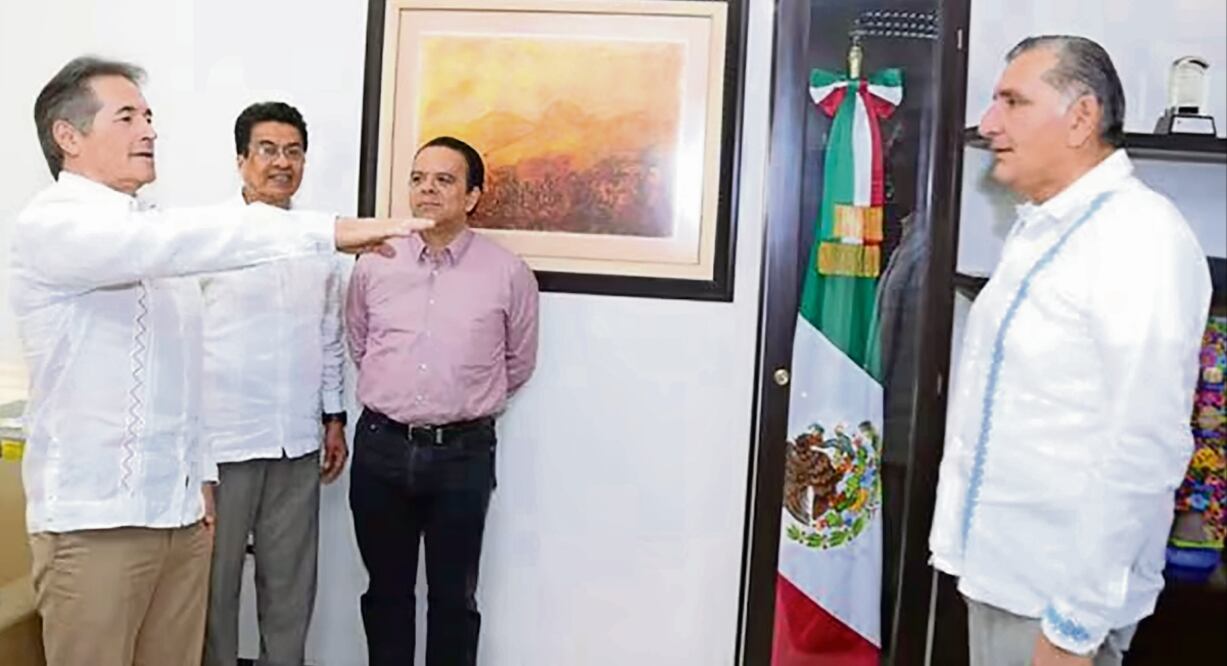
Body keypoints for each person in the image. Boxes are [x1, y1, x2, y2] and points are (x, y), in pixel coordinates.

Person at [9, 56, 431, 666]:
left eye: (149, 115)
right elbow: (181, 242)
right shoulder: (54, 225)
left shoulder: (152, 227)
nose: (149, 130)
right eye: (127, 116)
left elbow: (183, 377)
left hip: (179, 515)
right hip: (96, 522)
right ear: (68, 137)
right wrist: (330, 230)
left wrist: (197, 472)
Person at [928, 36, 1212, 666]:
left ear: (1081, 117)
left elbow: (1142, 448)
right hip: (1005, 585)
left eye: (1012, 101)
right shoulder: (1046, 228)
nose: (990, 123)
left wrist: (1072, 630)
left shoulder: (1139, 239)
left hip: (1054, 611)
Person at [345, 136, 539, 666]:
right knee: (385, 593)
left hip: (462, 454)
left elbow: (518, 362)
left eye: (444, 180)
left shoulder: (507, 273)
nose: (427, 189)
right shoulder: (375, 262)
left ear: (473, 195)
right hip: (381, 447)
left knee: (455, 598)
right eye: (418, 179)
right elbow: (360, 342)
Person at [201, 101, 348, 666]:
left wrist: (334, 417)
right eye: (267, 149)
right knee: (214, 593)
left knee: (290, 591)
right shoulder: (206, 239)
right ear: (241, 160)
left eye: (293, 151)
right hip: (224, 446)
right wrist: (194, 460)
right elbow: (185, 346)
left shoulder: (319, 242)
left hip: (296, 442)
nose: (281, 163)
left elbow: (330, 338)